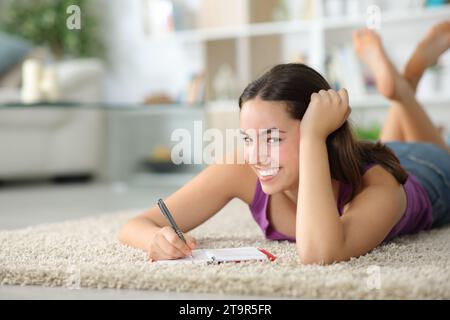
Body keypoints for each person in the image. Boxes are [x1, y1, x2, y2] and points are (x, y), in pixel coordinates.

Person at [118, 22, 450, 265]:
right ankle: (403, 86)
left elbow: (320, 254)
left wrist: (314, 137)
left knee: (425, 153)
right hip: (366, 151)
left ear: (320, 131)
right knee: (386, 144)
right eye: (248, 138)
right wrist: (155, 239)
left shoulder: (380, 185)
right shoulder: (242, 166)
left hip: (430, 171)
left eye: (273, 138)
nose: (257, 156)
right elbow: (135, 225)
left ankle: (404, 87)